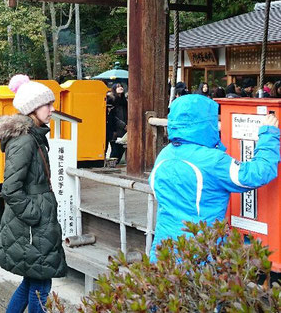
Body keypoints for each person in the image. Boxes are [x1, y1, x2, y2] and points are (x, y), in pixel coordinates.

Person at [149, 94, 280, 262]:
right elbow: (258, 173)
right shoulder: (213, 160)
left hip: (163, 249)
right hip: (199, 251)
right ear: (207, 123)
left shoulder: (165, 153)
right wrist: (269, 134)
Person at [0, 74, 67, 313]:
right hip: (33, 226)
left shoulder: (33, 135)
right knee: (41, 284)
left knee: (32, 281)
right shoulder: (25, 141)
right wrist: (36, 214)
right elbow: (11, 188)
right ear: (34, 108)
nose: (53, 109)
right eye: (48, 104)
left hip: (36, 225)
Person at [107, 83, 127, 164]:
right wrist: (123, 125)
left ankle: (116, 164)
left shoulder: (125, 101)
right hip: (115, 129)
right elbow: (112, 117)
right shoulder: (111, 100)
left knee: (121, 149)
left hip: (124, 129)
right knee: (115, 150)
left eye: (121, 86)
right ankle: (111, 166)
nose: (120, 88)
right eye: (118, 86)